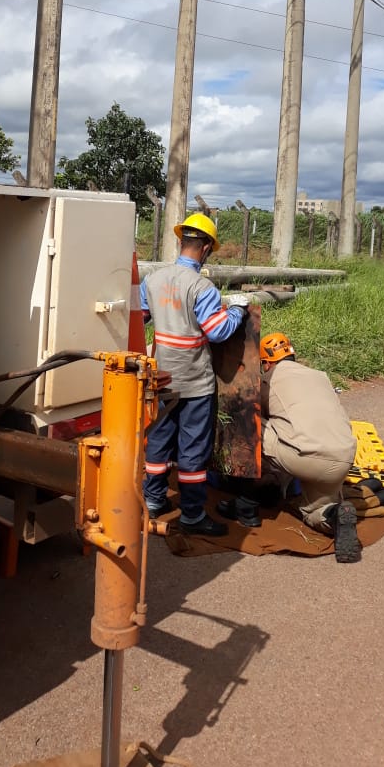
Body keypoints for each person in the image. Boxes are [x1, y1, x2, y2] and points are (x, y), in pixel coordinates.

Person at [140, 212, 248, 537]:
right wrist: (237, 311)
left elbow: (142, 317)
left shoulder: (153, 280)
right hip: (195, 384)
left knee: (157, 442)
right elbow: (217, 332)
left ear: (181, 241)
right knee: (193, 449)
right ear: (205, 249)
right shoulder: (203, 287)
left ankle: (153, 501)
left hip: (160, 379)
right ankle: (191, 515)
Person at [218, 332, 362, 563]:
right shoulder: (319, 376)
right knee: (314, 511)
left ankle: (247, 504)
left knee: (241, 419)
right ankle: (335, 515)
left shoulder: (268, 379)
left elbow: (256, 416)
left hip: (303, 456)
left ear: (266, 363)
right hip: (343, 457)